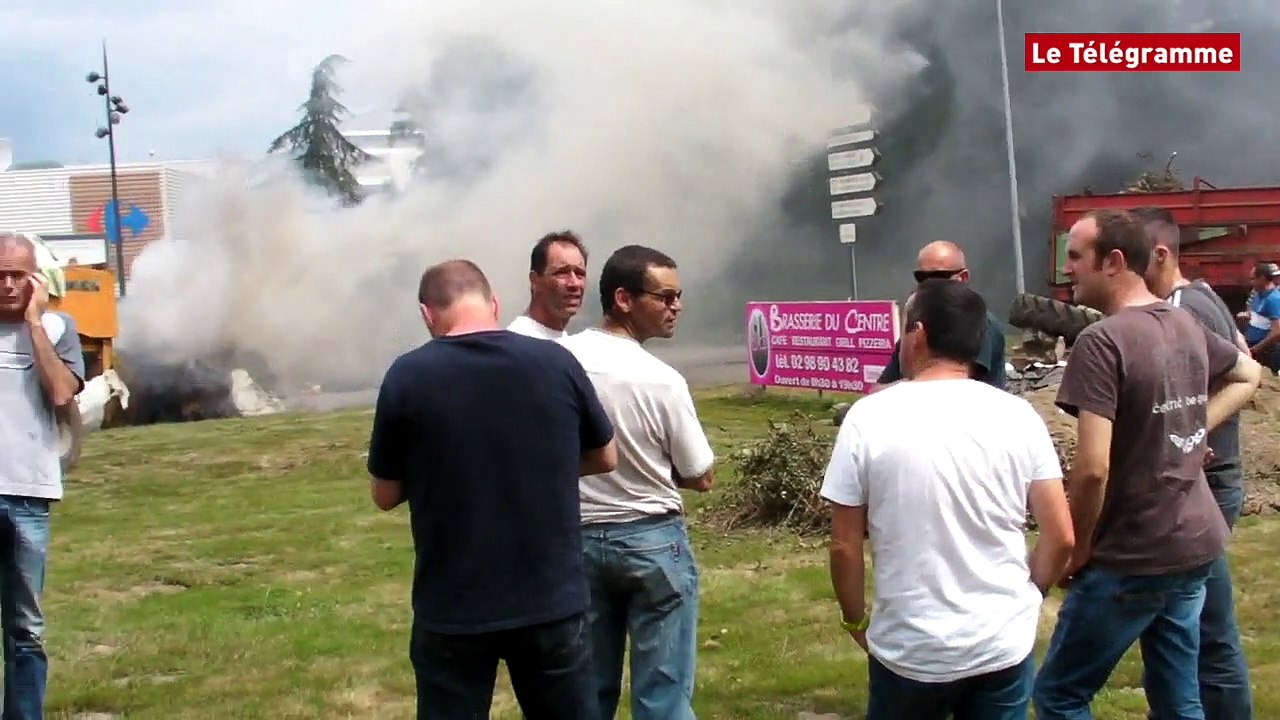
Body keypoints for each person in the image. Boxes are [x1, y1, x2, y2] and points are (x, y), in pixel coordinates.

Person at [1032, 209, 1262, 719]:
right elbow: (1249, 372)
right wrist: (1194, 429)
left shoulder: (1102, 341)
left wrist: (1078, 547)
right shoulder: (1183, 321)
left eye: (1076, 257)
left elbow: (1092, 469)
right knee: (1179, 697)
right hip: (1193, 545)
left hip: (1134, 553)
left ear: (1113, 261)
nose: (1068, 268)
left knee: (1058, 696)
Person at [366, 258, 618, 719]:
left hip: (454, 605)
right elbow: (606, 456)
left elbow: (384, 494)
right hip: (550, 598)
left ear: (427, 314)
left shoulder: (408, 375)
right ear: (495, 303)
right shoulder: (554, 361)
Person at [820, 278, 1075, 719]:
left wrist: (855, 619)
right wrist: (1031, 594)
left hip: (908, 648)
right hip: (1001, 644)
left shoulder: (867, 417)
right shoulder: (1019, 416)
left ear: (917, 334)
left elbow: (844, 544)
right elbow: (1062, 536)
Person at [559, 245, 716, 720]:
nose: (677, 307)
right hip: (653, 541)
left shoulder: (559, 361)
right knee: (662, 695)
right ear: (623, 298)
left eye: (678, 296)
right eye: (665, 296)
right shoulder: (662, 380)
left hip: (577, 538)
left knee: (587, 691)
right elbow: (701, 474)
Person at [1137, 206, 1254, 719]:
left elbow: (1243, 374)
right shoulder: (1199, 298)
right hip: (1209, 476)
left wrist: (1191, 432)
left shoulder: (1186, 305)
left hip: (1208, 479)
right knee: (1196, 624)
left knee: (1208, 632)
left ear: (1161, 254)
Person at [0, 232, 85, 719]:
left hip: (27, 497)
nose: (8, 284)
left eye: (18, 275)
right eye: (0, 275)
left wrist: (33, 323)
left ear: (35, 279)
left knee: (24, 630)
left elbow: (59, 393)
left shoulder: (57, 329)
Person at [871, 240, 1006, 392]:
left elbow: (958, 390)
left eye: (938, 276)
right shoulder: (919, 321)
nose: (929, 285)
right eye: (922, 277)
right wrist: (907, 323)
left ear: (963, 277)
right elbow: (879, 388)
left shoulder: (980, 324)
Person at [507, 230, 589, 339]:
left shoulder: (567, 343)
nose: (574, 283)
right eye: (562, 273)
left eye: (580, 274)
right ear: (534, 280)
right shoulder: (517, 342)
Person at [1239, 261, 1280, 373]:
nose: (1251, 282)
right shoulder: (1257, 294)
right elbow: (1258, 316)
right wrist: (1247, 316)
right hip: (1254, 346)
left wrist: (1257, 348)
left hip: (1267, 352)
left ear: (1262, 278)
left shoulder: (1274, 299)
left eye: (1253, 279)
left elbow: (1277, 331)